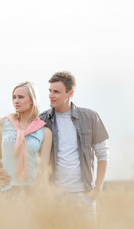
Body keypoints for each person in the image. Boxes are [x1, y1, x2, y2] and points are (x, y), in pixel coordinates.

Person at [39, 71, 109, 218]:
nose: (51, 95)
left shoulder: (90, 117)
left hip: (84, 196)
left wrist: (98, 187)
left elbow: (102, 153)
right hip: (54, 196)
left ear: (70, 93)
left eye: (56, 92)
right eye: (50, 91)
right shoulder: (43, 120)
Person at [0, 81, 52, 192]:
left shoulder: (44, 132)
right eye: (14, 97)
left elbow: (43, 169)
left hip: (32, 191)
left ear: (32, 101)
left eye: (21, 97)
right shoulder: (2, 123)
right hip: (7, 189)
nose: (16, 101)